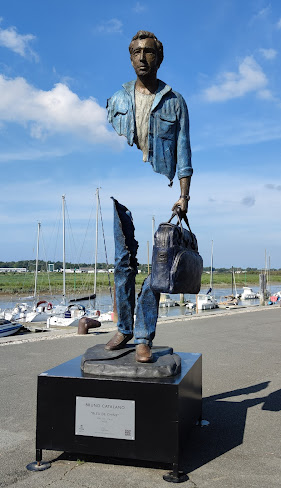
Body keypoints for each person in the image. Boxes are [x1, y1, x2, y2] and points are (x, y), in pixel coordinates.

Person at [105, 30, 193, 362]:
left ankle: (144, 336)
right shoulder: (116, 99)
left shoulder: (175, 101)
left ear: (160, 57)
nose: (143, 58)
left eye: (149, 52)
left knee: (158, 270)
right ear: (130, 57)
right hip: (120, 192)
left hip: (162, 188)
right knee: (122, 263)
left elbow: (184, 150)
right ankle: (124, 327)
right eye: (136, 52)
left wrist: (184, 196)